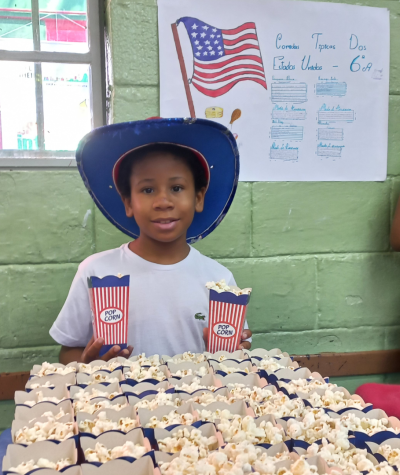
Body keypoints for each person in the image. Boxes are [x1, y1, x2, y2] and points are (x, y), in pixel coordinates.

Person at [49, 118, 252, 364]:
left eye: (177, 188)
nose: (163, 202)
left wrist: (234, 353)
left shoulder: (220, 281)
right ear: (128, 202)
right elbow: (68, 351)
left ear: (198, 198)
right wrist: (86, 363)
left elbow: (237, 355)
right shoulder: (96, 272)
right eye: (147, 190)